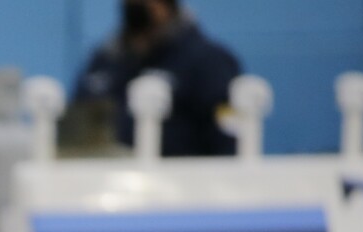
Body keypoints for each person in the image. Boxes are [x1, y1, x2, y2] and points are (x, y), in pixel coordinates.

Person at [73, 0, 242, 156]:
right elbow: (77, 126)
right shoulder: (105, 59)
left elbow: (227, 143)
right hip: (107, 180)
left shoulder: (207, 61)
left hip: (183, 181)